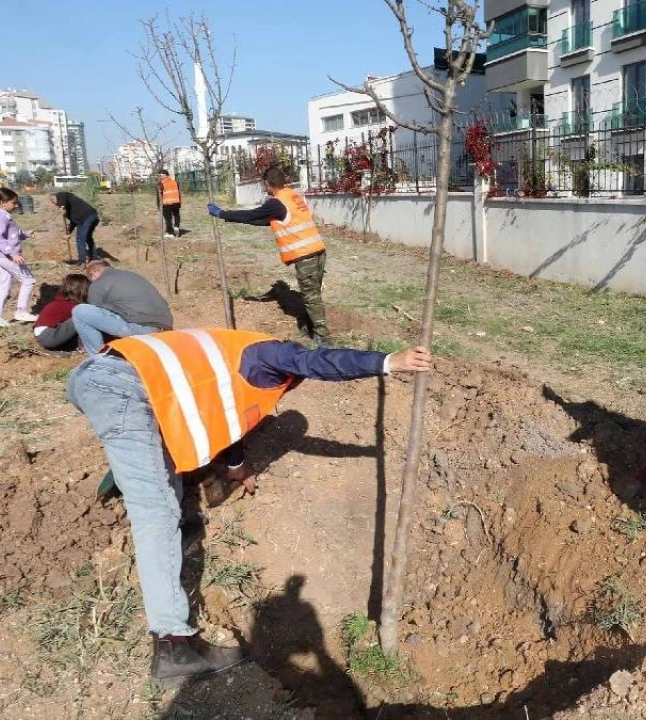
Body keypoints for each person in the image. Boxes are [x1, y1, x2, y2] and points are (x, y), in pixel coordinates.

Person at [66, 329, 432, 688]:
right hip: (120, 387)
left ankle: (155, 513)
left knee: (164, 471)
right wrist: (387, 361)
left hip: (102, 375)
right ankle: (172, 646)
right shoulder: (268, 353)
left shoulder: (227, 354)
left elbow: (220, 414)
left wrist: (237, 466)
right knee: (155, 511)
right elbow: (318, 360)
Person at [208, 165, 329, 344]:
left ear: (267, 183)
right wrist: (237, 220)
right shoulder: (292, 196)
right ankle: (308, 328)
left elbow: (253, 214)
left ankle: (323, 339)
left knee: (311, 296)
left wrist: (223, 214)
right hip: (317, 250)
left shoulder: (276, 202)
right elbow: (267, 220)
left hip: (306, 255)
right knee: (311, 294)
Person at [72, 260, 173, 354]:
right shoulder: (132, 276)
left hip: (143, 329)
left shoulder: (99, 283)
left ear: (94, 273)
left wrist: (81, 343)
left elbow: (92, 315)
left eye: (91, 280)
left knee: (80, 311)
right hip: (165, 328)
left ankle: (99, 358)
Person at [0, 188, 39, 328]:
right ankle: (21, 311)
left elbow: (12, 234)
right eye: (14, 203)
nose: (16, 205)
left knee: (4, 286)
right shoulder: (1, 217)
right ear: (2, 202)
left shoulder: (3, 215)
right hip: (5, 257)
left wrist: (27, 234)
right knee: (28, 280)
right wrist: (12, 253)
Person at [34, 273, 91, 351]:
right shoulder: (71, 304)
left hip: (44, 335)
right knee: (82, 316)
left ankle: (79, 345)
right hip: (48, 335)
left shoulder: (63, 301)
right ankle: (85, 346)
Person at [49, 190, 100, 266]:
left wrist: (62, 206)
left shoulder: (62, 195)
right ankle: (94, 259)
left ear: (53, 199)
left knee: (80, 240)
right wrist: (68, 232)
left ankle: (82, 262)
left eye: (54, 203)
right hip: (91, 216)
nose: (56, 205)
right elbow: (74, 222)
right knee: (88, 238)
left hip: (87, 217)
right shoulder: (68, 208)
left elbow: (65, 195)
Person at [156, 169, 182, 238]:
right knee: (176, 215)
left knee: (168, 218)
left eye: (160, 175)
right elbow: (178, 192)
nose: (160, 177)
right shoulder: (175, 182)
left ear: (164, 175)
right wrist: (179, 202)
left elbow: (159, 196)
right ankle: (176, 227)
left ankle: (170, 233)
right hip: (176, 202)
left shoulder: (160, 184)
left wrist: (159, 206)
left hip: (167, 203)